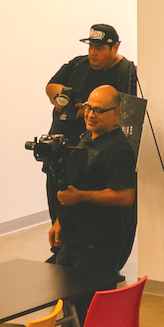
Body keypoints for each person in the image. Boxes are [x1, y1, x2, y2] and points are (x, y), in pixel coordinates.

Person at [50, 85, 138, 327]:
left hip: (100, 244)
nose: (90, 114)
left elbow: (125, 196)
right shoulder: (86, 140)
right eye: (88, 107)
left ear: (116, 113)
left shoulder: (119, 149)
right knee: (72, 304)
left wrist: (81, 198)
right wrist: (61, 220)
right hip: (74, 240)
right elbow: (77, 184)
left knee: (95, 310)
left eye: (98, 110)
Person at [43, 23, 140, 235]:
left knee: (90, 222)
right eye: (90, 47)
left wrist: (79, 110)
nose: (93, 53)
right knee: (59, 218)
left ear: (115, 47)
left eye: (99, 49)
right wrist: (63, 96)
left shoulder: (127, 74)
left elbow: (124, 115)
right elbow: (51, 87)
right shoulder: (78, 65)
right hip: (61, 158)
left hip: (96, 162)